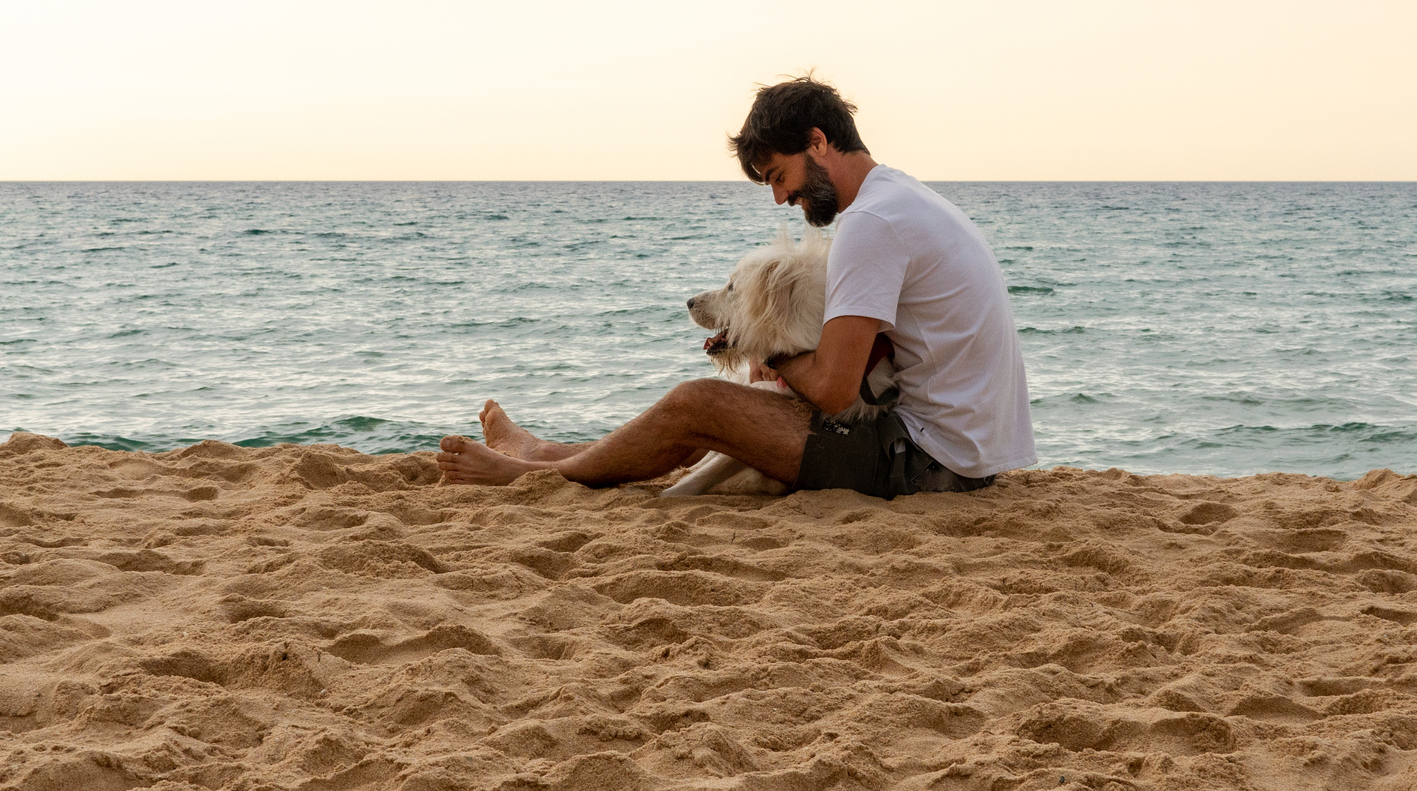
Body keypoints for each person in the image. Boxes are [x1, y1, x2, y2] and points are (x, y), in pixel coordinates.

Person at [435, 75, 1035, 495]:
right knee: (718, 409)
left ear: (818, 142)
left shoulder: (872, 225)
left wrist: (764, 347)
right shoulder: (899, 199)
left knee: (697, 402)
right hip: (957, 452)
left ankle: (531, 475)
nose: (780, 197)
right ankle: (549, 456)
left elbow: (831, 389)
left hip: (929, 464)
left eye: (779, 175)